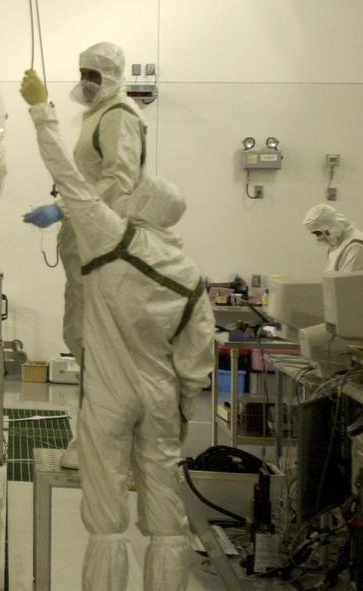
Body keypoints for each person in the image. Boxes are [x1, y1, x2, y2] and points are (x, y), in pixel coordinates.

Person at [20, 69, 214, 591]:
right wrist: (178, 409)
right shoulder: (191, 276)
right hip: (159, 397)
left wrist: (41, 111)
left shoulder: (111, 238)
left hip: (107, 397)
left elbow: (71, 177)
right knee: (165, 520)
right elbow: (198, 360)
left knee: (107, 524)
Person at [23, 41, 147, 467]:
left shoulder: (119, 116)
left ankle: (99, 444)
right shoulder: (98, 116)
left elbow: (119, 179)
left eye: (93, 75)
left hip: (104, 247)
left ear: (112, 77)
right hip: (88, 241)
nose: (85, 82)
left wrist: (65, 206)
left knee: (97, 344)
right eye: (83, 73)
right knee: (83, 340)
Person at [303, 204, 363, 272]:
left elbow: (346, 283)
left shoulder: (356, 245)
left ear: (330, 228)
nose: (318, 239)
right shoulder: (338, 243)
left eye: (318, 233)